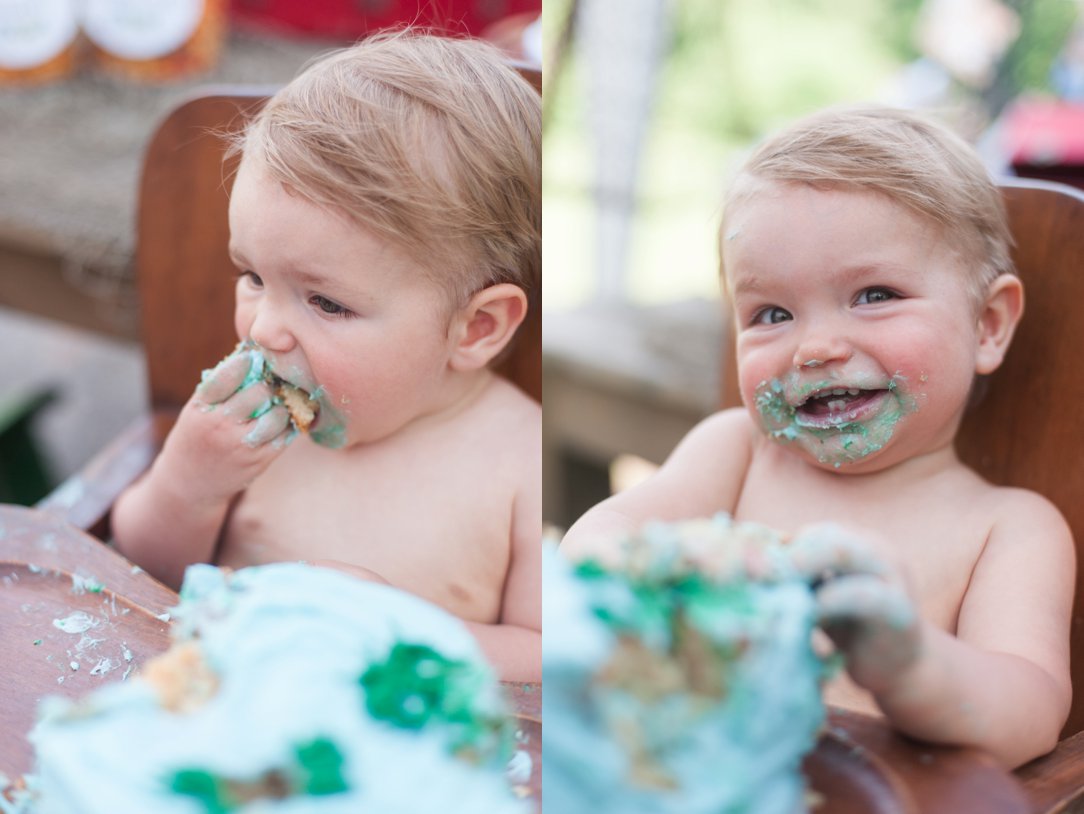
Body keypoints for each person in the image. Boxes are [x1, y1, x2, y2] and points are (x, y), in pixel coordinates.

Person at [561, 105, 1074, 767]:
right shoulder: (739, 450)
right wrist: (681, 568)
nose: (817, 347)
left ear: (987, 325)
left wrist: (911, 664)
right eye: (772, 313)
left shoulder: (1008, 528)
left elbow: (1031, 714)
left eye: (875, 294)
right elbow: (595, 543)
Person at [111, 31, 542, 682]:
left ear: (476, 327)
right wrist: (187, 484)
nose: (263, 331)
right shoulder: (245, 434)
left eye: (327, 304)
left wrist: (399, 627)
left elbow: (547, 660)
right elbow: (141, 570)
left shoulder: (521, 464)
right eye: (253, 277)